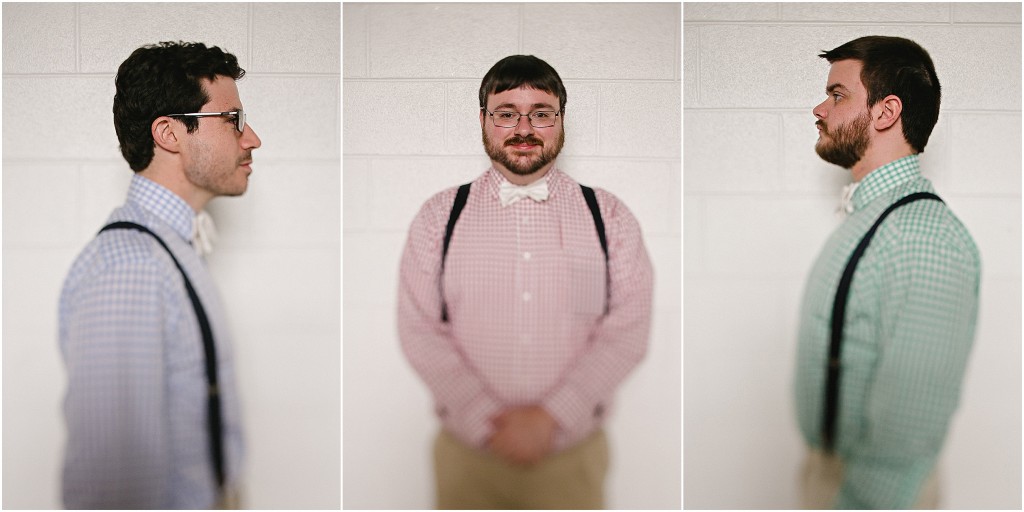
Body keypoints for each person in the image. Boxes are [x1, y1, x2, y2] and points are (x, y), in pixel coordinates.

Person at [397, 55, 653, 509]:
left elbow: (627, 329)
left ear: (560, 120)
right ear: (483, 119)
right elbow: (420, 330)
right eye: (506, 113)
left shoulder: (608, 217)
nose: (523, 128)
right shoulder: (440, 216)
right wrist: (486, 421)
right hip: (468, 460)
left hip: (571, 461)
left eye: (540, 113)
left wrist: (551, 418)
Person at [59, 41, 261, 509]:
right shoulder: (133, 266)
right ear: (170, 133)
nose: (251, 138)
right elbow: (114, 484)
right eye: (233, 119)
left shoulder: (168, 250)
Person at [794, 36, 980, 509]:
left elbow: (907, 429)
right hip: (836, 475)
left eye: (837, 94)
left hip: (871, 493)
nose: (820, 108)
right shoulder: (872, 215)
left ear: (885, 112)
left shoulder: (921, 235)